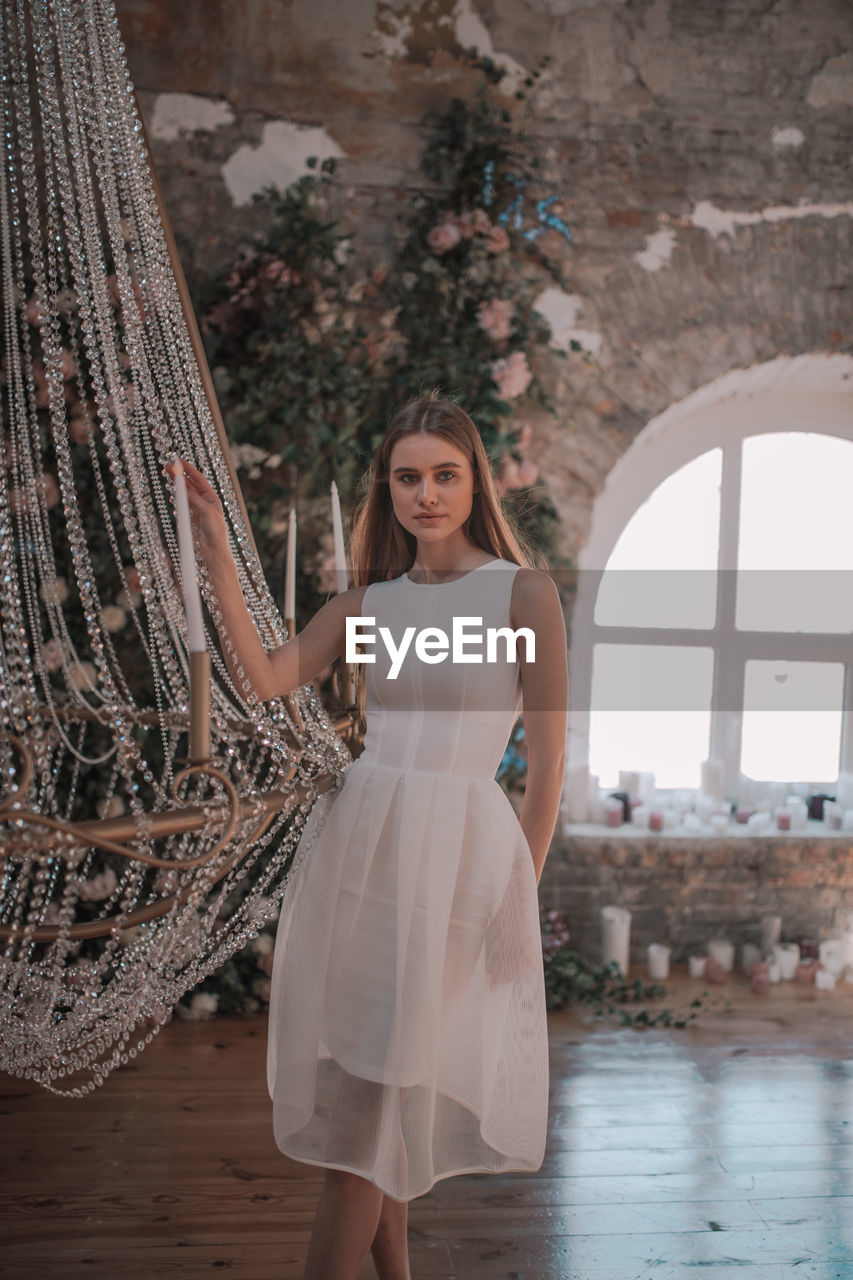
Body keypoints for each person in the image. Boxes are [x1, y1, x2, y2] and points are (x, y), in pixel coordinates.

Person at [175, 395, 568, 1280]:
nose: (425, 495)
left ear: (474, 482)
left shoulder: (521, 593)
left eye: (443, 475)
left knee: (362, 1112)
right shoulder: (371, 604)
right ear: (386, 489)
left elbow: (546, 769)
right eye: (406, 477)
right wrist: (218, 560)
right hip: (363, 847)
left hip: (463, 856)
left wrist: (518, 903)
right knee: (370, 1080)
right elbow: (269, 674)